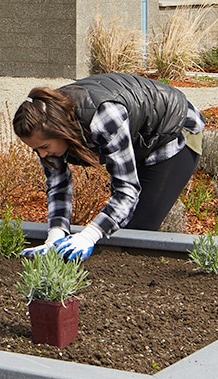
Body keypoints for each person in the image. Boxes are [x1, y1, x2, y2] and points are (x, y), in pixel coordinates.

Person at [12, 75, 203, 260]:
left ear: (60, 131)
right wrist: (55, 234)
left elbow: (126, 192)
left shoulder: (103, 117)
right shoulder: (45, 127)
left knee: (138, 229)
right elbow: (58, 186)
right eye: (35, 149)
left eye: (44, 147)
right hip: (140, 135)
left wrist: (89, 235)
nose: (42, 154)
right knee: (121, 228)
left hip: (174, 129)